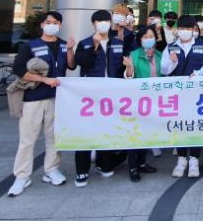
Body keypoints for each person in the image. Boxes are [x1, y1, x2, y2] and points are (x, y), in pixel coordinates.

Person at [7, 11, 75, 197]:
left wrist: (70, 50)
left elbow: (71, 66)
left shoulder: (64, 45)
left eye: (56, 22)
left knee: (54, 136)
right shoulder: (30, 46)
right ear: (42, 25)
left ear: (60, 25)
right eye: (49, 22)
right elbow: (19, 69)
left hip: (57, 98)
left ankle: (51, 169)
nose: (52, 25)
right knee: (28, 139)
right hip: (33, 98)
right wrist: (44, 80)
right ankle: (22, 176)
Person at [73, 10, 128, 188]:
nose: (103, 23)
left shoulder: (118, 43)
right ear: (93, 24)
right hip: (90, 96)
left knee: (108, 130)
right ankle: (82, 171)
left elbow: (122, 67)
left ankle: (104, 164)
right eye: (99, 21)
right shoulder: (85, 43)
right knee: (86, 131)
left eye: (106, 20)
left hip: (112, 95)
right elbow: (82, 63)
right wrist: (95, 47)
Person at [161, 15, 203, 178]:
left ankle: (194, 159)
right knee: (180, 125)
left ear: (193, 30)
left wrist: (199, 73)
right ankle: (181, 159)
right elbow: (164, 70)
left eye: (188, 28)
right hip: (177, 95)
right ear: (178, 29)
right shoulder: (170, 47)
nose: (185, 31)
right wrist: (172, 62)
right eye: (182, 28)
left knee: (195, 125)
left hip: (197, 94)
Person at [122, 25, 160, 182]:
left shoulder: (159, 55)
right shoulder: (134, 55)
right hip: (138, 100)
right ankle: (133, 167)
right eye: (145, 37)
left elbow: (165, 74)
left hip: (155, 100)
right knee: (135, 134)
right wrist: (129, 67)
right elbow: (128, 78)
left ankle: (142, 162)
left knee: (147, 133)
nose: (149, 39)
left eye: (151, 36)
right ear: (140, 39)